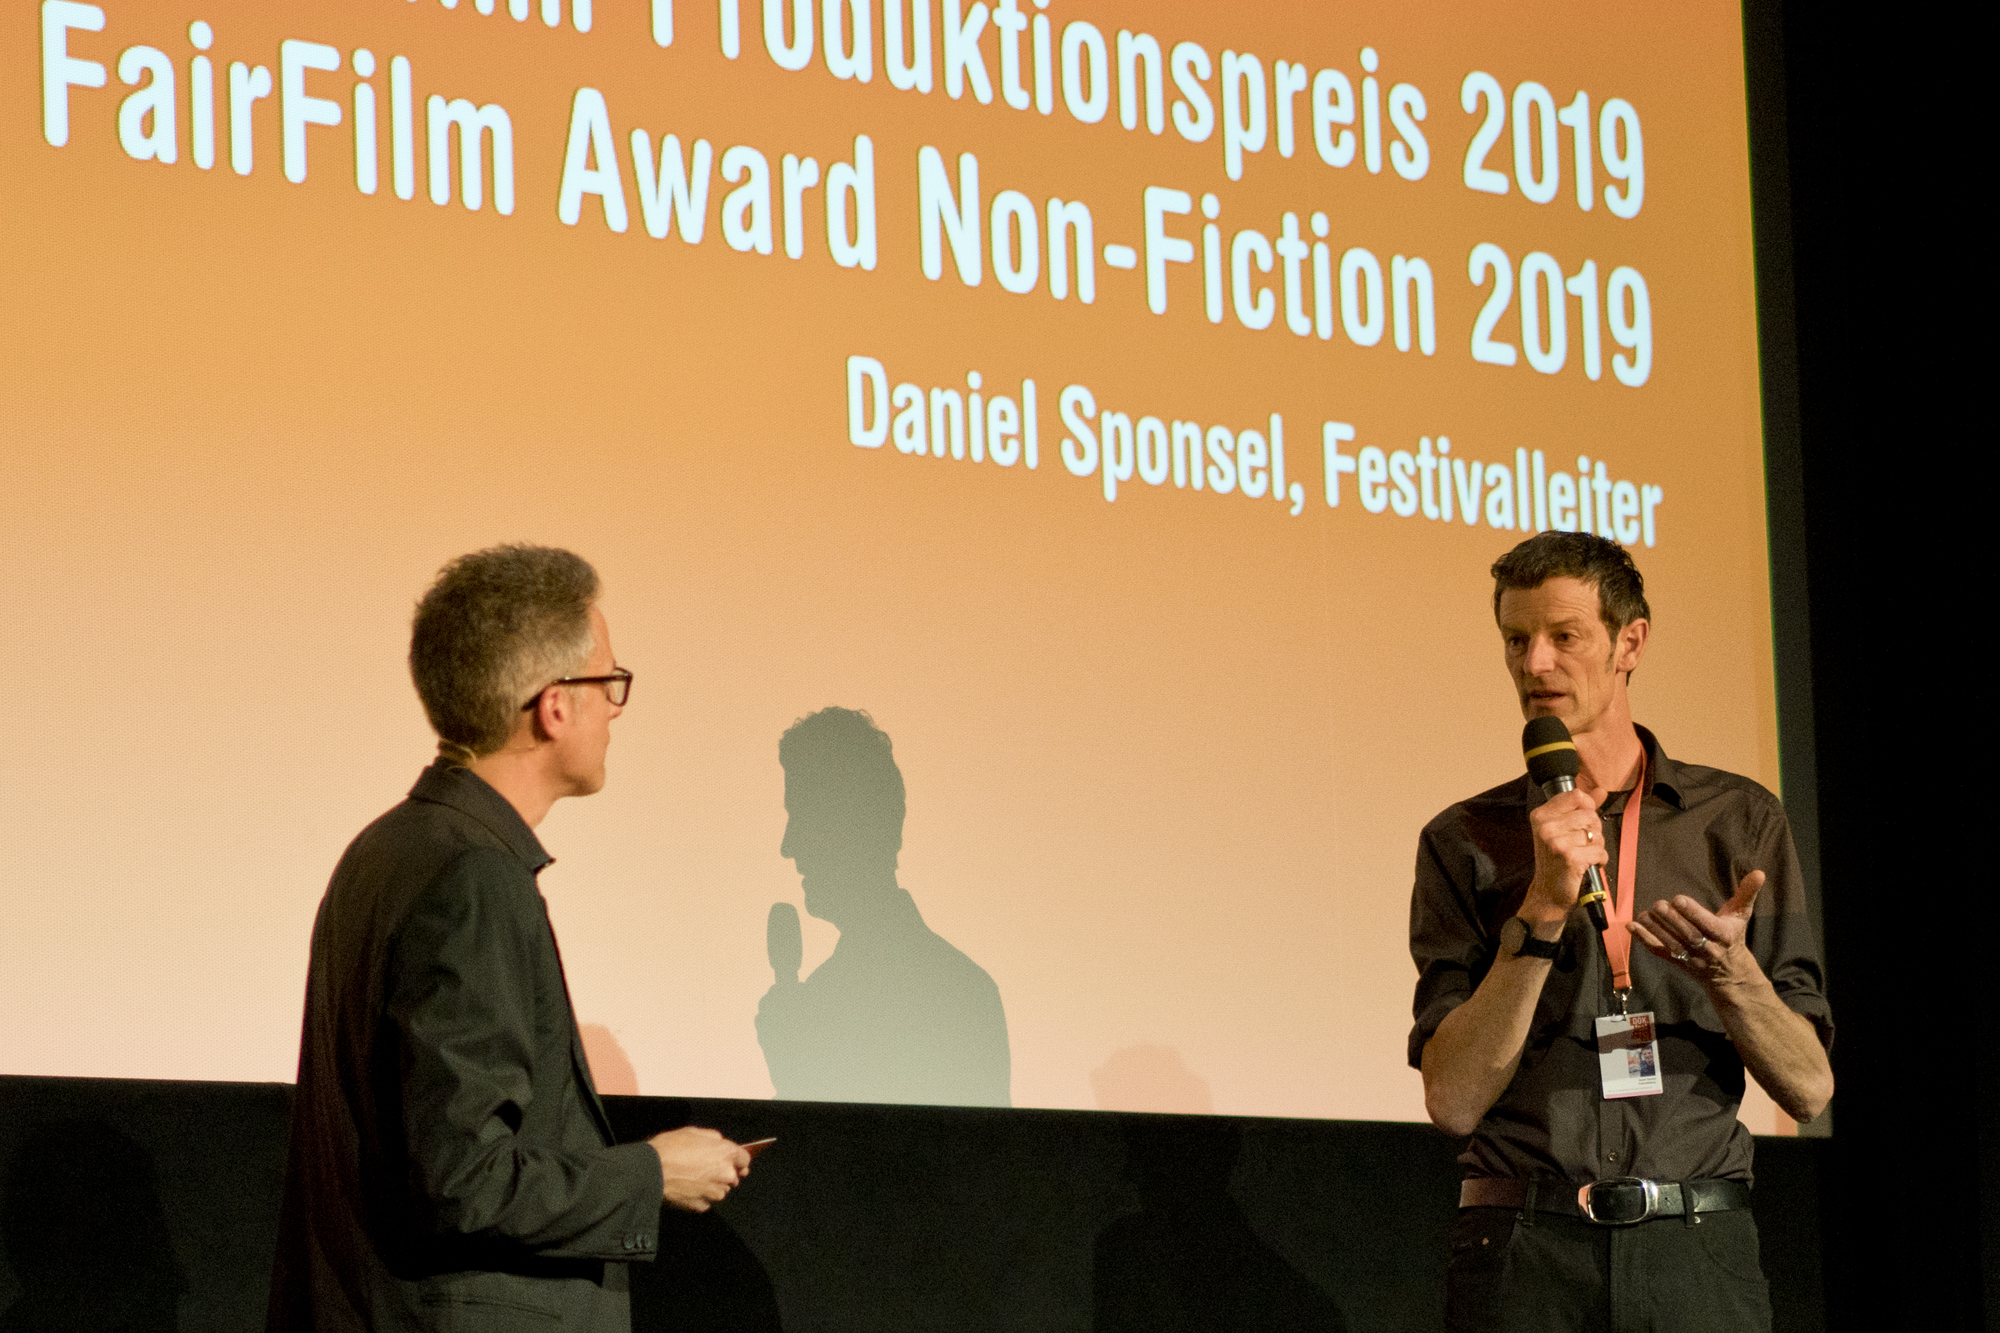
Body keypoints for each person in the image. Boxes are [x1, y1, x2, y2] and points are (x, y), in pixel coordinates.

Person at [267, 545, 752, 1333]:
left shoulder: (386, 849)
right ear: (555, 706)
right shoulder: (473, 877)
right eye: (608, 683)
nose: (616, 708)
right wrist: (650, 1173)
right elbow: (464, 1179)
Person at [1407, 532, 1833, 1332]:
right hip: (1524, 1251)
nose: (1535, 663)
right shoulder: (1463, 839)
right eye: (1516, 639)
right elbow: (1453, 1098)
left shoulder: (1736, 823)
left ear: (1630, 642)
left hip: (1694, 1249)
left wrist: (1733, 976)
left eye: (1564, 636)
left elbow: (1810, 1087)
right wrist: (1540, 910)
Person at [754, 707, 1011, 1107]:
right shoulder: (964, 987)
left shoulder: (956, 996)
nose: (788, 845)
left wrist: (799, 1074)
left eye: (802, 816)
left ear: (855, 824)